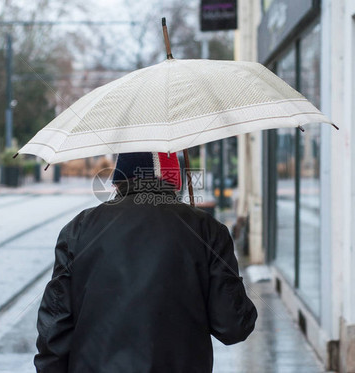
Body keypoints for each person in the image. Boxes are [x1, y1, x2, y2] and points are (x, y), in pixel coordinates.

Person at [35, 152, 258, 373]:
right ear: (174, 180)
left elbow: (54, 329)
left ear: (118, 181)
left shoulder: (78, 230)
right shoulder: (207, 230)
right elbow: (233, 326)